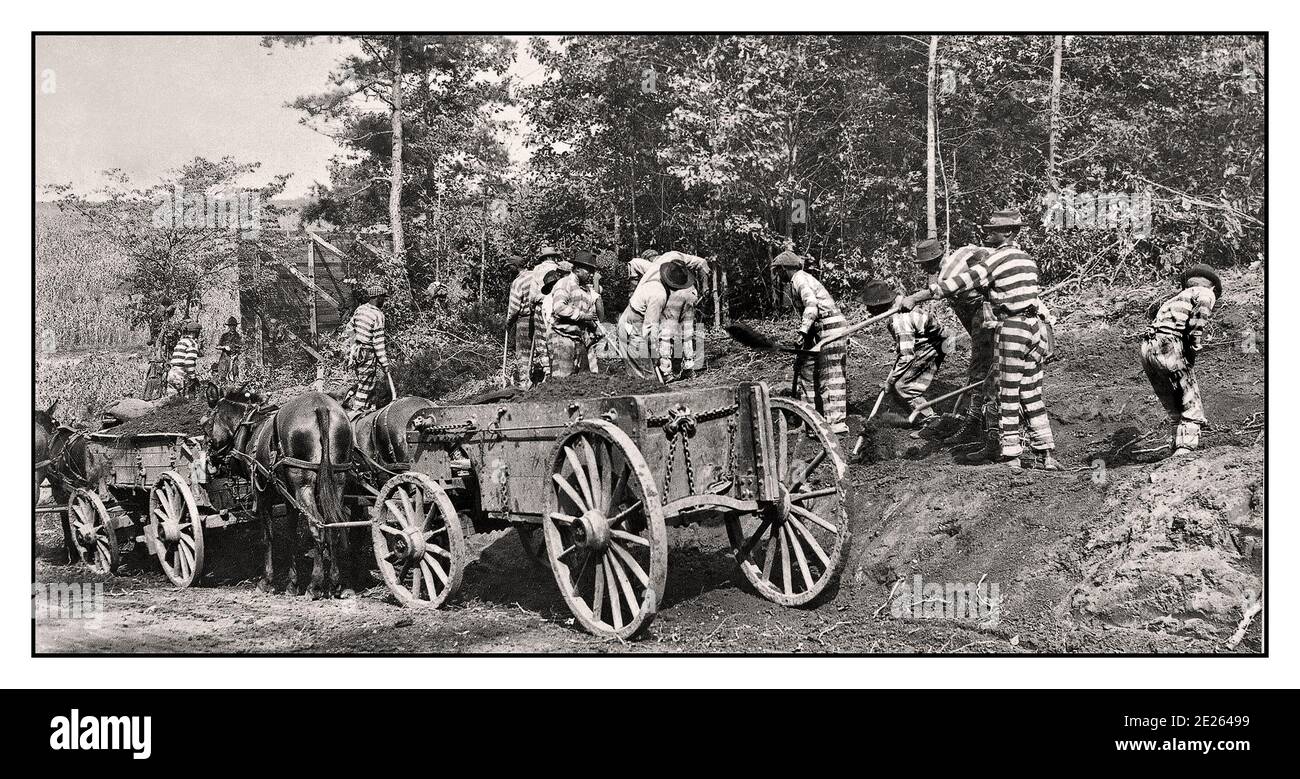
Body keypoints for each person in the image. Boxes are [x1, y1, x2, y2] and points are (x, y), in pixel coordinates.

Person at [900, 209, 1059, 470]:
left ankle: (1011, 455)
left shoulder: (996, 259)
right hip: (1035, 329)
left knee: (1007, 392)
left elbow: (958, 283)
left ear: (1008, 231)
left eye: (992, 231)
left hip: (1013, 328)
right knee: (1031, 392)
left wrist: (915, 298)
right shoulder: (1027, 259)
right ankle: (1046, 453)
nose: (987, 235)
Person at [913, 239, 998, 447]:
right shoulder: (962, 251)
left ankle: (975, 425)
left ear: (931, 262)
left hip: (986, 316)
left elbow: (939, 289)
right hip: (985, 316)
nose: (924, 269)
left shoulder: (949, 273)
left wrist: (913, 298)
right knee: (986, 369)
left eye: (924, 264)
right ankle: (986, 421)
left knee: (980, 371)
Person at [1141, 264, 1221, 456]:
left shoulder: (1172, 299)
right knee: (1190, 400)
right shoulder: (1205, 292)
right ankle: (1186, 449)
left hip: (1147, 348)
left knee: (1173, 404)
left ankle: (1175, 446)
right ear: (1212, 286)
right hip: (1168, 345)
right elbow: (1200, 315)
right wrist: (1195, 341)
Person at [771, 250, 849, 434]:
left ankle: (835, 424)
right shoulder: (796, 280)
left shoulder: (800, 279)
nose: (777, 276)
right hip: (818, 331)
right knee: (806, 370)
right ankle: (809, 420)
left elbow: (812, 306)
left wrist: (802, 331)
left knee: (831, 375)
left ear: (783, 268)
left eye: (778, 271)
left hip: (831, 329)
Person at [864, 280, 951, 433]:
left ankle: (931, 422)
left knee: (903, 386)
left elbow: (906, 356)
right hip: (924, 342)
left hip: (936, 343)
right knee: (899, 383)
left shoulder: (900, 320)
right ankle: (917, 416)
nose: (868, 310)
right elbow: (904, 352)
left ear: (879, 306)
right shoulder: (897, 307)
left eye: (870, 307)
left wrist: (890, 382)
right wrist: (891, 379)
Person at [618, 259, 696, 381]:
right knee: (647, 377)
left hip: (635, 321)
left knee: (643, 375)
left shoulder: (656, 273)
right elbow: (650, 328)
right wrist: (655, 356)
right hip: (634, 326)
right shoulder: (659, 295)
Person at [548, 250, 602, 379]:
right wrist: (583, 316)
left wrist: (595, 327)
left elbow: (589, 315)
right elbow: (559, 308)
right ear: (577, 269)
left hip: (579, 337)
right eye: (588, 270)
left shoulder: (586, 290)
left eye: (592, 271)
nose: (591, 274)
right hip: (562, 335)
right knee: (563, 378)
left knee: (584, 378)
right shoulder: (565, 283)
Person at [344, 285, 391, 414]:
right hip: (367, 353)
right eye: (383, 298)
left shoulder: (360, 309)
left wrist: (354, 345)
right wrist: (384, 363)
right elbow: (378, 343)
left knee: (363, 380)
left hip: (357, 352)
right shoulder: (378, 315)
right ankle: (356, 413)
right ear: (377, 297)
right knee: (367, 384)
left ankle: (359, 403)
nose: (384, 301)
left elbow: (349, 328)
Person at [529, 246, 564, 385]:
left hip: (541, 305)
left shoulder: (537, 270)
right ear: (553, 257)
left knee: (541, 340)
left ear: (543, 258)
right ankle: (557, 368)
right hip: (557, 304)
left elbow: (532, 295)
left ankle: (547, 371)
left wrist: (533, 308)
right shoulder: (560, 268)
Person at [503, 255, 534, 387]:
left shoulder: (518, 282)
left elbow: (514, 307)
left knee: (523, 353)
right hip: (538, 317)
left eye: (510, 267)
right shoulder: (535, 276)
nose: (509, 270)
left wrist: (508, 321)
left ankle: (525, 382)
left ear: (516, 267)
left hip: (524, 319)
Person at [165, 321, 202, 397]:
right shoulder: (192, 343)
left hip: (172, 372)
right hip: (181, 374)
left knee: (172, 402)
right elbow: (189, 362)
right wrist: (193, 377)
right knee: (183, 403)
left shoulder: (181, 341)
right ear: (196, 332)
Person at [214, 316, 242, 382]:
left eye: (234, 325)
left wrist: (236, 355)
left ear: (236, 326)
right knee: (222, 377)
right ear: (229, 326)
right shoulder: (224, 336)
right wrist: (224, 347)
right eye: (231, 325)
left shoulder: (238, 336)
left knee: (235, 376)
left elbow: (241, 348)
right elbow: (217, 346)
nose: (232, 327)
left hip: (234, 358)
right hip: (224, 358)